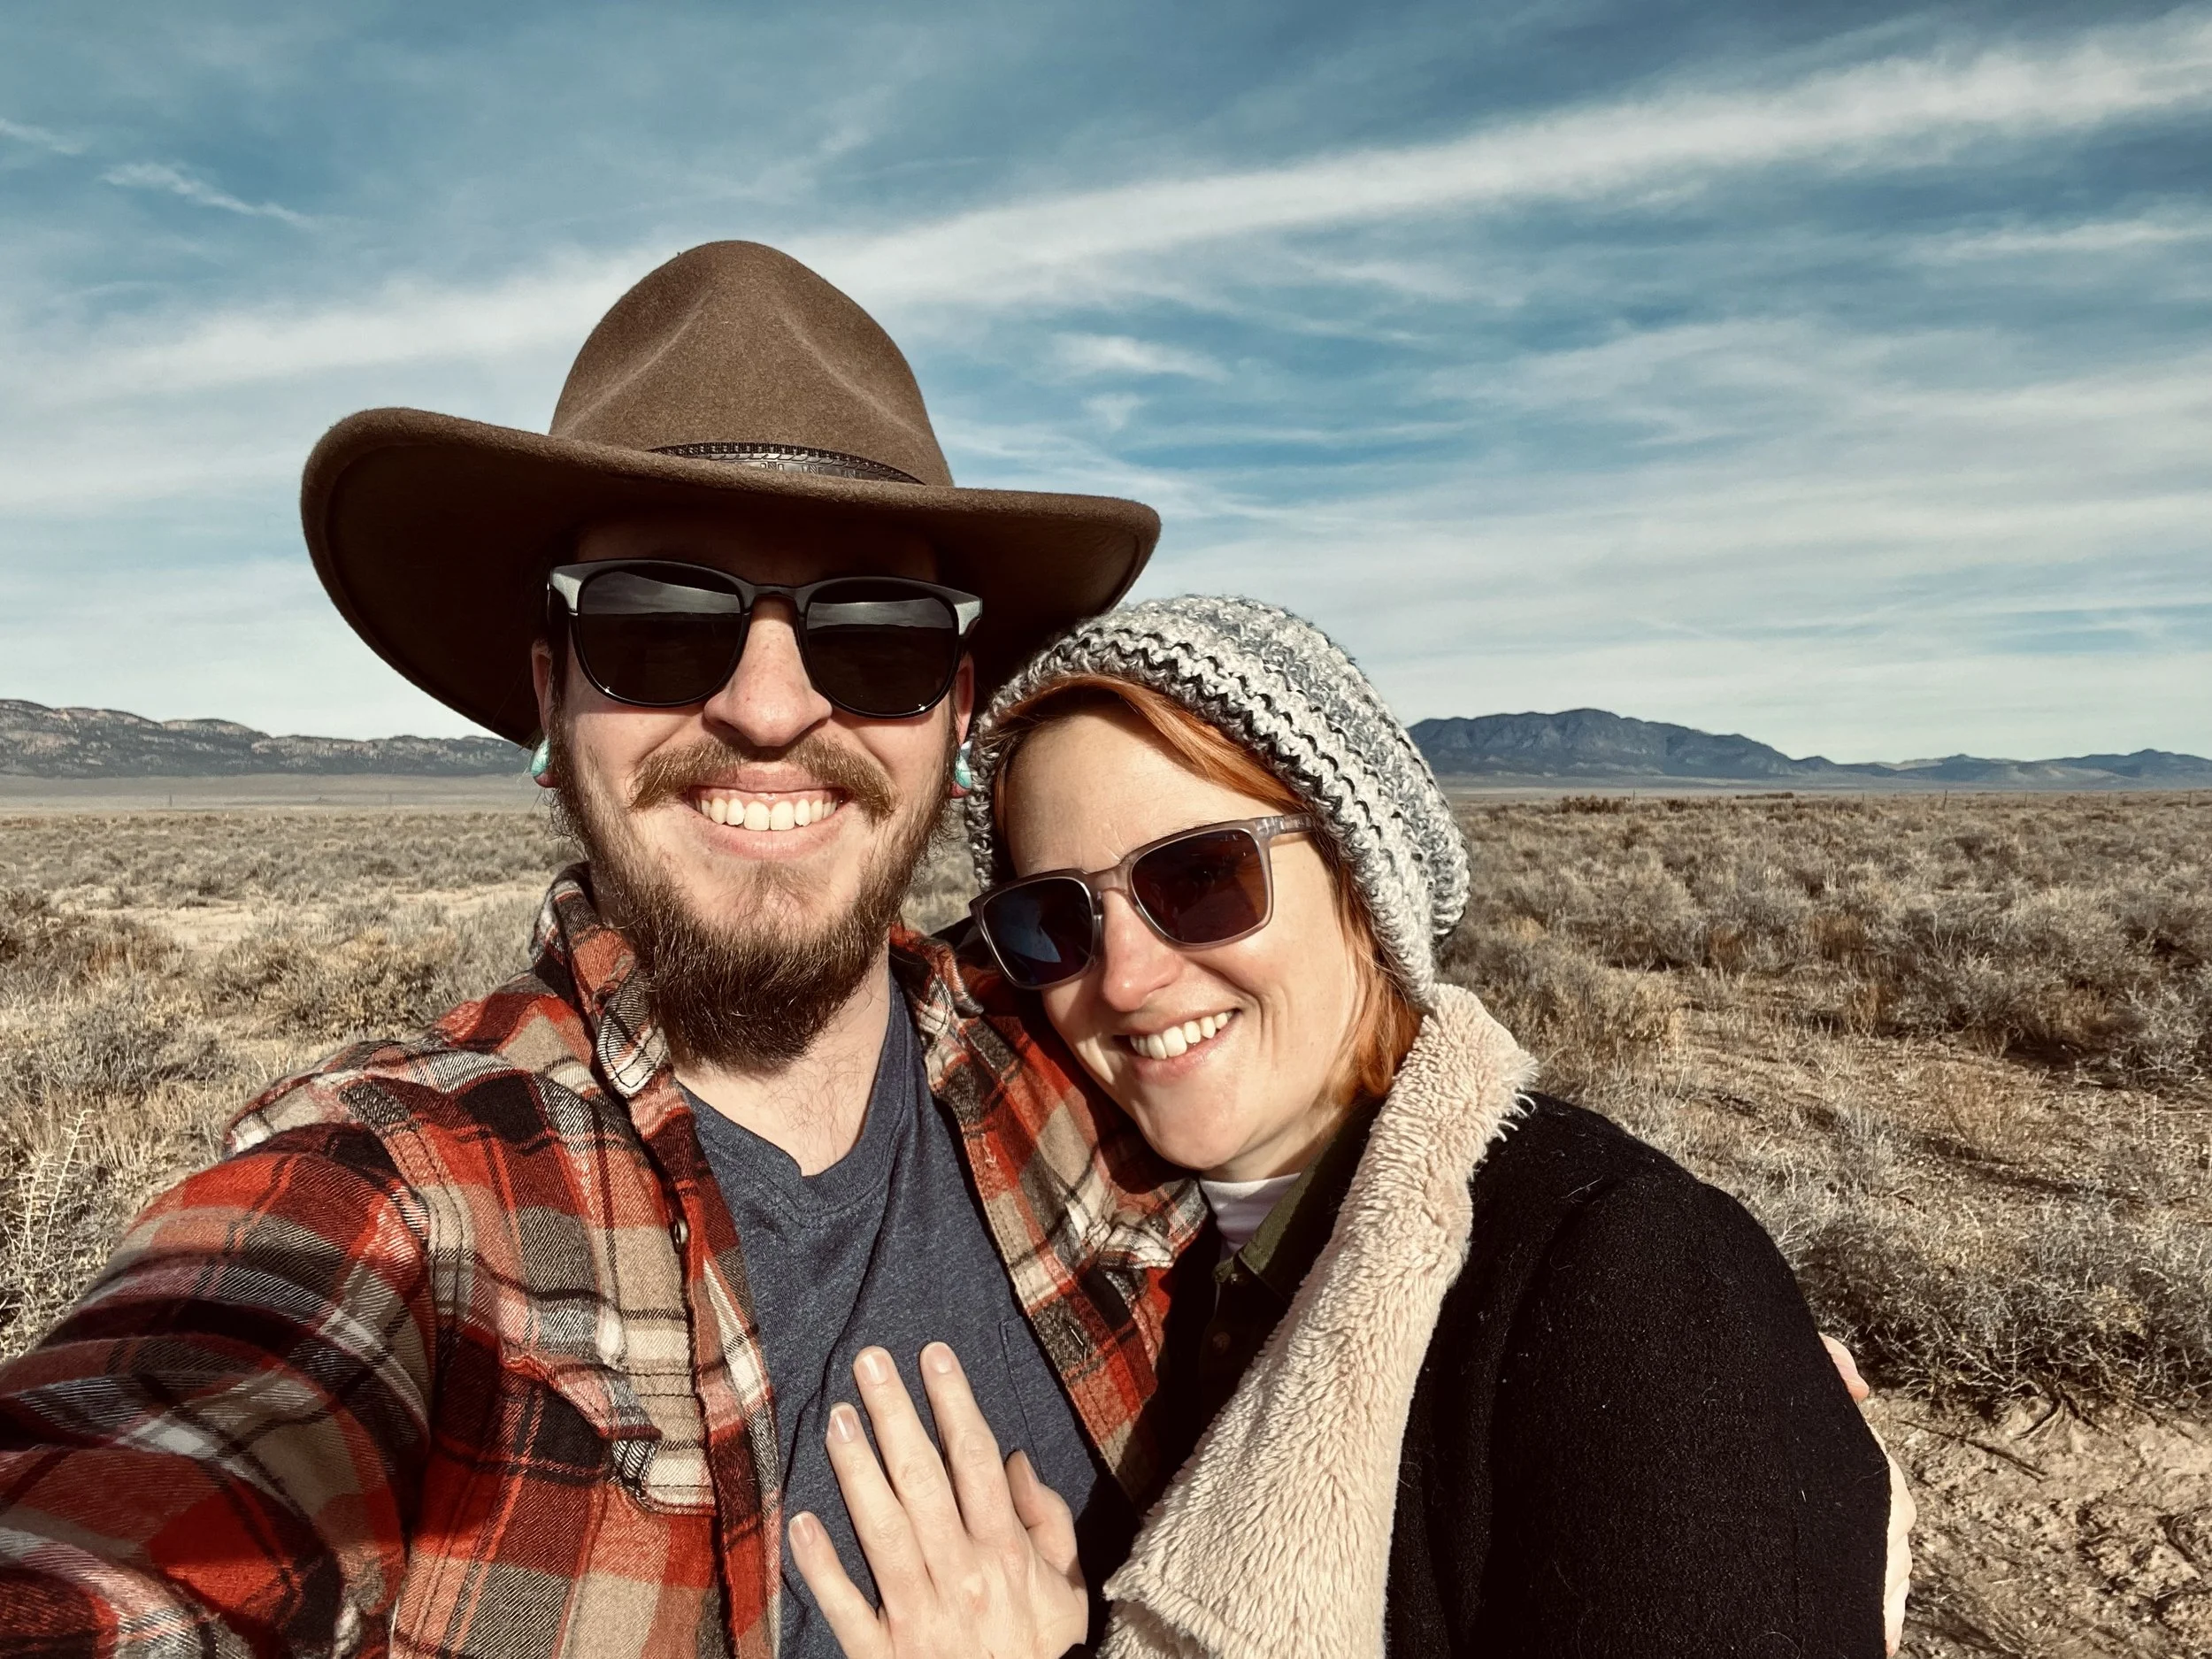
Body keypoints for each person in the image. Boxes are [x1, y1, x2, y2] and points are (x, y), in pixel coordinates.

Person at [0, 241, 1204, 1656]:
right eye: (656, 623)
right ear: (548, 697)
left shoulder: (1096, 1040)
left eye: (871, 635)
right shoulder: (399, 1192)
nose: (769, 707)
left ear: (951, 705)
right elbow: (128, 1504)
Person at [787, 596, 1916, 1656]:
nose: (1124, 978)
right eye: (1051, 920)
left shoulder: (1618, 1285)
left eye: (1200, 878)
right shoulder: (1162, 1250)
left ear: (1360, 884)